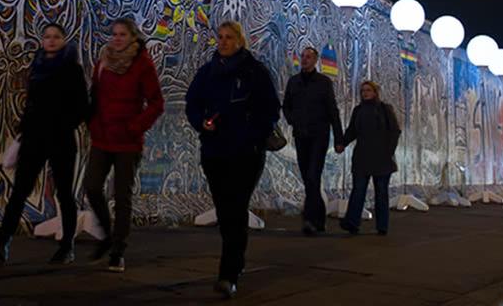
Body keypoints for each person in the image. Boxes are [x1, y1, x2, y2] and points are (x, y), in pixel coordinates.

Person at [186, 21, 281, 299]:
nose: (223, 42)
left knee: (236, 208)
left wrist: (252, 133)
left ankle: (228, 273)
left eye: (229, 37)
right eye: (221, 37)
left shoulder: (255, 72)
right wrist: (202, 123)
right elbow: (193, 103)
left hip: (246, 153)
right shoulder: (208, 72)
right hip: (215, 151)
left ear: (240, 40)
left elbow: (271, 109)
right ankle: (235, 261)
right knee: (225, 210)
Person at [0, 23, 90, 265]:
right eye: (47, 37)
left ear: (64, 40)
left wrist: (64, 124)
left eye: (56, 37)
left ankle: (67, 246)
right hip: (34, 138)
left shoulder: (72, 69)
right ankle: (2, 243)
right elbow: (31, 103)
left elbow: (81, 107)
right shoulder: (38, 65)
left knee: (64, 193)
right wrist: (23, 130)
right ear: (42, 41)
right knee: (20, 191)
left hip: (61, 139)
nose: (51, 41)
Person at [85, 17, 165, 273]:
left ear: (133, 37)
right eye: (114, 34)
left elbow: (156, 103)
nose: (117, 38)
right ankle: (107, 234)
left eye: (122, 34)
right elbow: (95, 95)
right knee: (93, 186)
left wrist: (134, 126)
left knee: (122, 196)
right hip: (102, 137)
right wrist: (93, 123)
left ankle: (118, 250)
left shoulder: (142, 65)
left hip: (128, 143)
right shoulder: (104, 61)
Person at [282, 46, 344, 236]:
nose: (305, 59)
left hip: (319, 135)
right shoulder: (294, 82)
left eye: (309, 57)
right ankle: (319, 218)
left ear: (315, 60)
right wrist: (293, 119)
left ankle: (310, 219)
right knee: (309, 178)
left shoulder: (323, 82)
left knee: (312, 175)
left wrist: (339, 138)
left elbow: (332, 110)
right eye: (303, 56)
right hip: (301, 135)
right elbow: (286, 106)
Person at [336, 80, 401, 237]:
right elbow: (352, 130)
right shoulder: (358, 111)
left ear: (375, 92)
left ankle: (382, 226)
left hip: (381, 158)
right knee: (358, 190)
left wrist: (388, 151)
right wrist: (342, 143)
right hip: (362, 156)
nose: (365, 93)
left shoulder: (385, 109)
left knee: (381, 193)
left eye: (368, 90)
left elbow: (394, 131)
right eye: (363, 90)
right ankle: (352, 222)